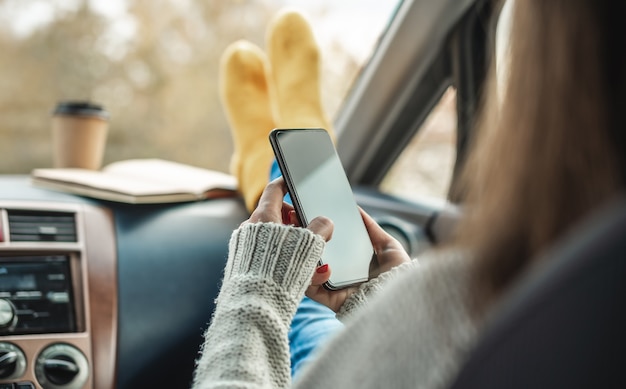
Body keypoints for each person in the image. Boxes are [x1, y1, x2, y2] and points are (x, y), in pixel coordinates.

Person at [193, 0, 626, 388]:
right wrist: (389, 311)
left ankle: (263, 163)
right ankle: (281, 148)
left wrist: (256, 286)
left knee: (301, 310)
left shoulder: (497, 292)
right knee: (315, 315)